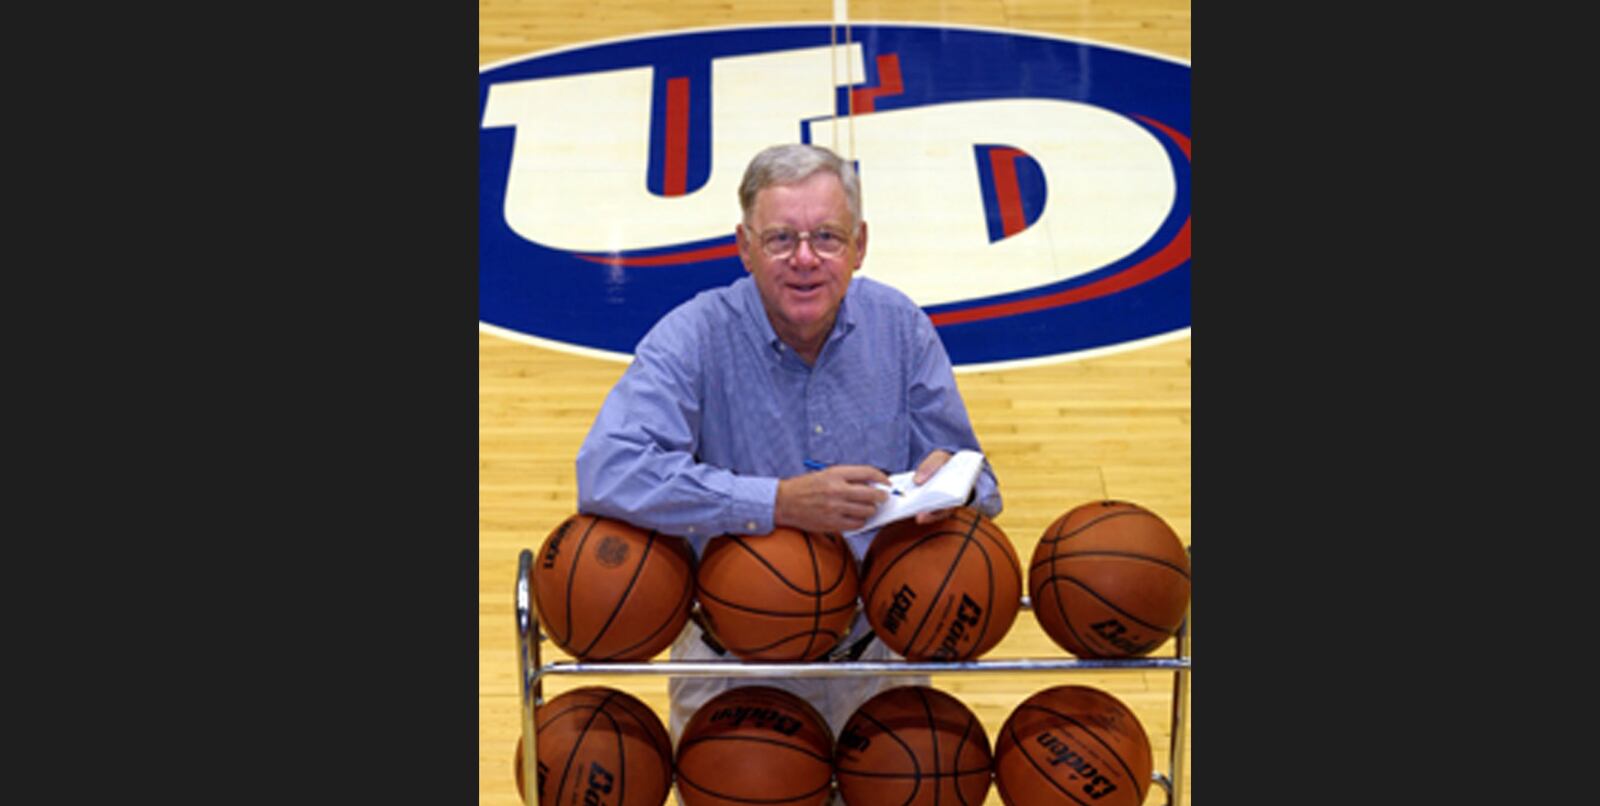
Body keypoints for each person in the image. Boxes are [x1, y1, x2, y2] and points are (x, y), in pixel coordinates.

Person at [574, 142, 1003, 757]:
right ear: (745, 247)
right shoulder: (693, 335)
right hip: (734, 663)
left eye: (826, 237)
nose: (805, 259)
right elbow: (607, 469)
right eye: (781, 239)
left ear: (859, 245)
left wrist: (956, 480)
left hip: (876, 654)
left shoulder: (900, 326)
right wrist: (776, 501)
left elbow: (977, 476)